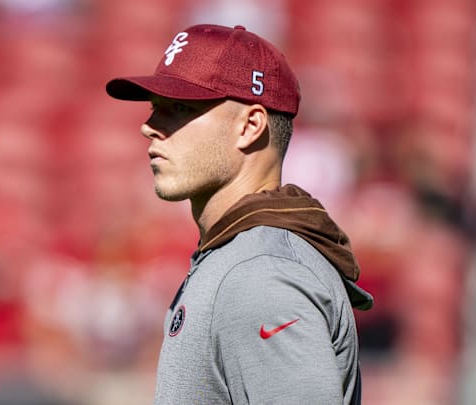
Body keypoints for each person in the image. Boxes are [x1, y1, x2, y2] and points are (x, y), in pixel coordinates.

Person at [105, 23, 373, 405]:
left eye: (180, 108)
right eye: (155, 108)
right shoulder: (240, 256)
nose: (149, 127)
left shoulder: (261, 273)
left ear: (250, 127)